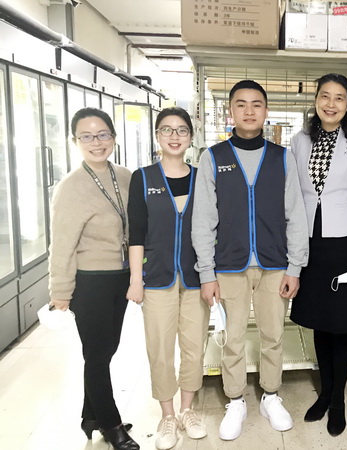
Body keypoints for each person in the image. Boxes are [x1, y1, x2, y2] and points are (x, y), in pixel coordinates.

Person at [192, 80, 309, 441]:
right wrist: (207, 273)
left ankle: (270, 396)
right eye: (241, 104)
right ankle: (235, 400)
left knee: (274, 335)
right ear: (230, 111)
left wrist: (295, 267)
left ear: (265, 111)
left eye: (256, 104)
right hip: (229, 266)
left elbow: (296, 214)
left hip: (275, 265)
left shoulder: (282, 157)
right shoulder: (213, 157)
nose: (248, 110)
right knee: (233, 338)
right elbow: (203, 219)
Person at [289, 73, 347, 437]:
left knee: (342, 324)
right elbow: (294, 194)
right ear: (316, 100)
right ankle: (325, 392)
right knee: (319, 322)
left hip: (346, 242)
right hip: (310, 241)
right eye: (325, 96)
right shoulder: (299, 140)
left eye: (339, 98)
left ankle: (338, 399)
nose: (331, 103)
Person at [48, 108, 138, 450]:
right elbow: (62, 245)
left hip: (120, 277)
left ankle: (91, 416)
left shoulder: (125, 176)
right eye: (86, 136)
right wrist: (60, 291)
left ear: (113, 137)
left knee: (107, 349)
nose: (96, 142)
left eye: (102, 134)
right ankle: (112, 425)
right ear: (75, 141)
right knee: (97, 355)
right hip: (90, 282)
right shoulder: (71, 187)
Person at [126, 107, 209, 449]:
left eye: (181, 130)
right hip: (157, 277)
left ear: (191, 136)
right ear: (157, 135)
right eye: (167, 130)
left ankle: (187, 410)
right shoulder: (143, 178)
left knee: (194, 346)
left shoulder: (202, 177)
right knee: (159, 349)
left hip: (195, 277)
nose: (174, 136)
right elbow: (136, 233)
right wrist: (136, 279)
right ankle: (167, 415)